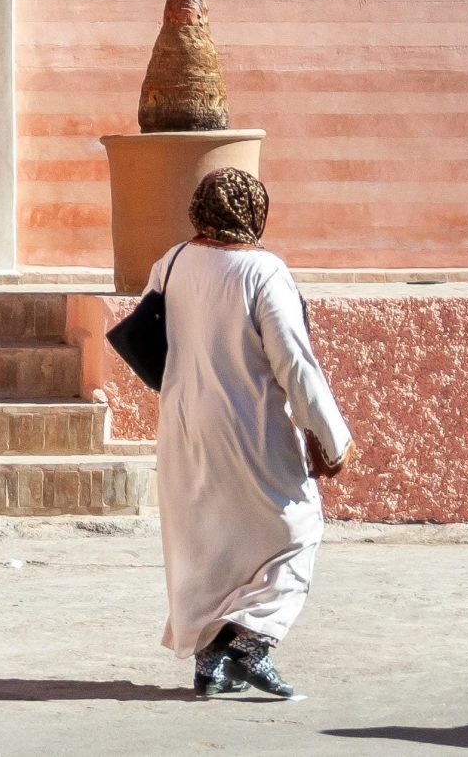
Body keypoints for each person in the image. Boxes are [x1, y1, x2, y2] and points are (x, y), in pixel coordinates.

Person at [147, 166, 353, 701]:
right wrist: (330, 436)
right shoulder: (263, 271)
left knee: (210, 540)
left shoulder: (169, 263)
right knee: (297, 528)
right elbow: (294, 362)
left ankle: (209, 662)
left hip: (184, 423)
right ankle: (248, 646)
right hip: (251, 425)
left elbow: (151, 343)